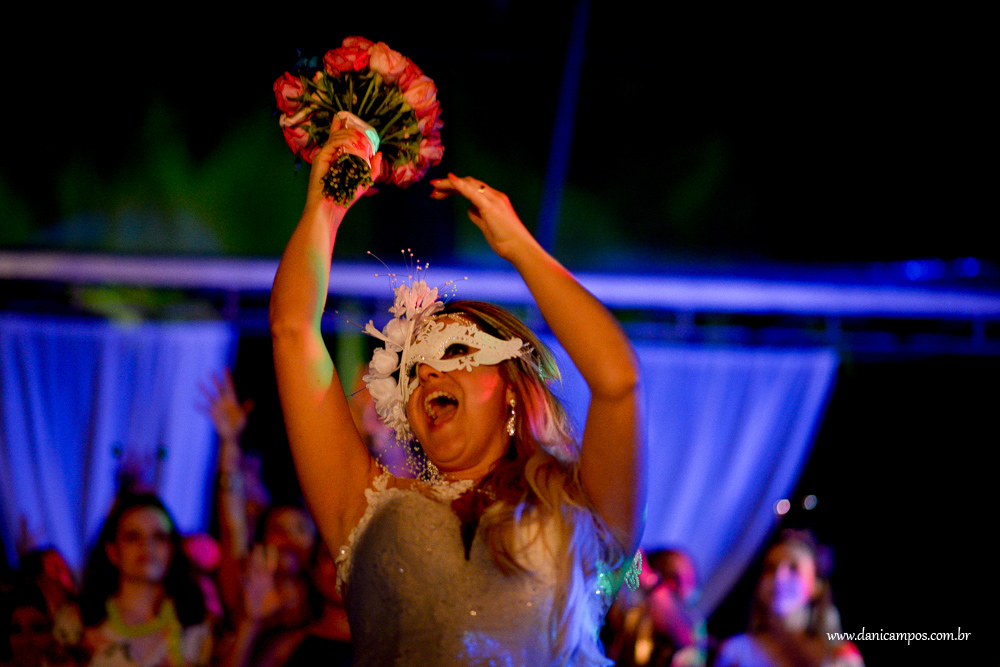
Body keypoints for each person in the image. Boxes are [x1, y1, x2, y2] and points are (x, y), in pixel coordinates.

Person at [269, 123, 645, 665]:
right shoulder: (361, 506)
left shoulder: (584, 507)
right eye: (412, 371)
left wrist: (519, 247)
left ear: (512, 390)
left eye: (451, 355)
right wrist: (325, 211)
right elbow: (292, 331)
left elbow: (619, 382)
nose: (425, 377)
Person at [80, 493, 211, 667]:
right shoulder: (80, 626)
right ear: (112, 551)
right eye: (133, 537)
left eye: (158, 537)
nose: (147, 545)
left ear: (172, 548)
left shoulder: (196, 628)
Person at [714, 530, 863, 667]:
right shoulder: (738, 650)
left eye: (793, 568)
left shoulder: (839, 655)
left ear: (817, 586)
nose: (779, 578)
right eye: (770, 568)